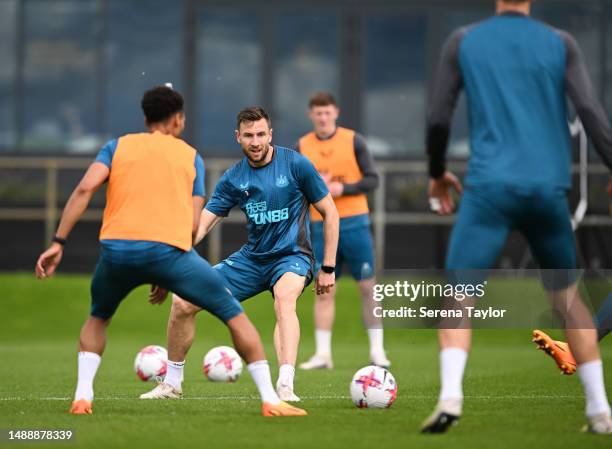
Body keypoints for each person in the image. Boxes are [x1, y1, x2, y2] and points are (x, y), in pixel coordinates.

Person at [35, 87, 306, 417]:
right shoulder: (189, 155)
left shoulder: (117, 146)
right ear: (179, 120)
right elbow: (193, 223)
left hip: (115, 250)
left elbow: (84, 189)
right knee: (235, 316)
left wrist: (58, 242)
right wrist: (171, 269)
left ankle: (82, 396)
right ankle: (270, 399)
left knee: (97, 317)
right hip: (166, 250)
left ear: (146, 118)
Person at [422, 0, 612, 434]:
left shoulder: (463, 40)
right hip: (548, 189)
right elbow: (592, 114)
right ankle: (599, 410)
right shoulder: (561, 42)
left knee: (459, 295)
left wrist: (436, 173)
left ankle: (451, 397)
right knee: (567, 298)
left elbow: (437, 118)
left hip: (489, 188)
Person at [141, 106, 339, 402]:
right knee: (182, 302)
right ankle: (172, 384)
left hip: (292, 257)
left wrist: (328, 267)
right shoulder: (234, 178)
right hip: (252, 259)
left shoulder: (296, 164)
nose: (256, 142)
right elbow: (203, 224)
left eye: (261, 134)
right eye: (249, 136)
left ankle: (285, 385)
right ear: (238, 137)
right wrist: (171, 263)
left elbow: (330, 212)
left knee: (285, 301)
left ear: (270, 134)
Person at [295, 91, 390, 370]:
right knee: (324, 288)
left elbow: (373, 179)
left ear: (335, 113)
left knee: (367, 286)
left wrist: (342, 188)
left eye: (327, 112)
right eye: (318, 113)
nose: (323, 117)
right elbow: (292, 185)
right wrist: (314, 187)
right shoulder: (301, 146)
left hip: (354, 222)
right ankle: (323, 354)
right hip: (319, 224)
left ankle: (377, 351)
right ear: (310, 115)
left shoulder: (353, 140)